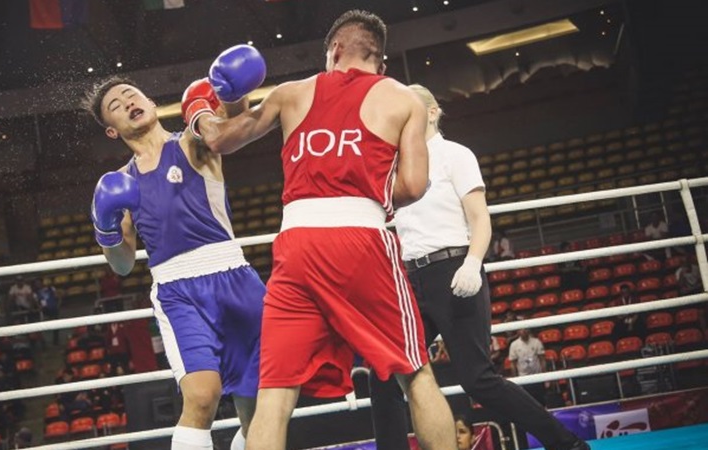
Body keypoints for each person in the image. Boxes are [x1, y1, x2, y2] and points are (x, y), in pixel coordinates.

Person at [186, 10, 455, 450]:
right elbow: (413, 185)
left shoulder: (292, 92)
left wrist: (202, 109)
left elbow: (219, 139)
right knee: (414, 371)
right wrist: (363, 185)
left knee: (274, 394)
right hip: (362, 241)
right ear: (380, 60)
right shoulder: (404, 99)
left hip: (297, 246)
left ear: (334, 50)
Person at [367, 86, 588, 450]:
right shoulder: (396, 165)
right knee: (384, 372)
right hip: (409, 279)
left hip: (453, 271)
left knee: (478, 380)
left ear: (432, 112)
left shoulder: (456, 155)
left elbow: (480, 219)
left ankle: (568, 445)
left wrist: (472, 262)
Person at [83, 43, 267, 450]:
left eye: (132, 94)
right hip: (179, 292)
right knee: (201, 397)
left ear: (150, 102)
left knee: (258, 408)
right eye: (116, 105)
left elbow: (233, 127)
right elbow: (121, 265)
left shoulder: (193, 142)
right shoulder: (122, 182)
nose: (128, 102)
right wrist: (105, 229)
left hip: (237, 279)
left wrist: (233, 96)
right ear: (112, 131)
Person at [508, 327, 548, 406]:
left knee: (541, 402)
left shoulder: (536, 342)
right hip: (523, 378)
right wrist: (516, 380)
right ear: (518, 331)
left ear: (528, 330)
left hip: (537, 376)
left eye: (525, 329)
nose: (523, 331)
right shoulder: (514, 345)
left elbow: (542, 360)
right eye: (521, 330)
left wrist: (545, 377)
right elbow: (513, 364)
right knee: (527, 403)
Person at [33, 278, 61, 345]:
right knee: (45, 327)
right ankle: (45, 343)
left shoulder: (50, 288)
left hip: (53, 309)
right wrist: (39, 307)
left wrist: (58, 305)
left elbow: (58, 296)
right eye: (36, 283)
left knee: (56, 325)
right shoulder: (36, 293)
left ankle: (56, 341)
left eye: (39, 283)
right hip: (45, 311)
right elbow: (36, 302)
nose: (38, 284)